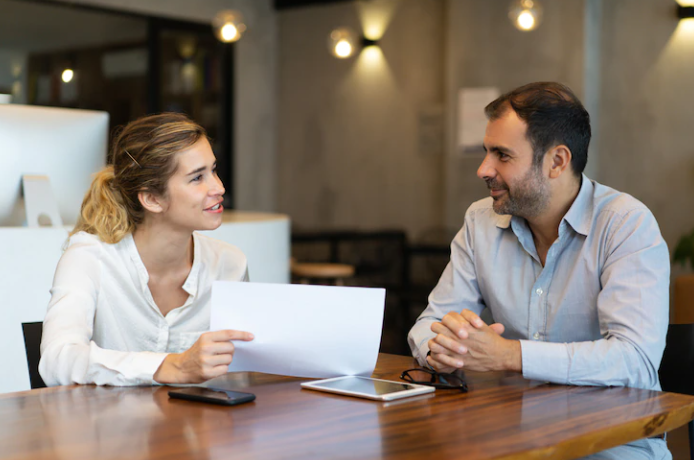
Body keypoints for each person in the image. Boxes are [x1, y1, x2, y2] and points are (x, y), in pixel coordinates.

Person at [408, 82, 670, 459]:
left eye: (502, 155)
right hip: (506, 433)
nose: (484, 169)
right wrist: (442, 349)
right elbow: (428, 323)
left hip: (610, 440)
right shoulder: (480, 221)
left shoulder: (626, 224)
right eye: (486, 152)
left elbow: (635, 359)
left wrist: (509, 356)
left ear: (557, 162)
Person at [39, 113, 253, 386]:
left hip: (201, 426)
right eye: (197, 178)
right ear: (152, 199)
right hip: (112, 426)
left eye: (214, 170)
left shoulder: (230, 263)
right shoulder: (89, 258)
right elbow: (57, 360)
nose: (219, 187)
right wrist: (168, 366)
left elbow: (242, 374)